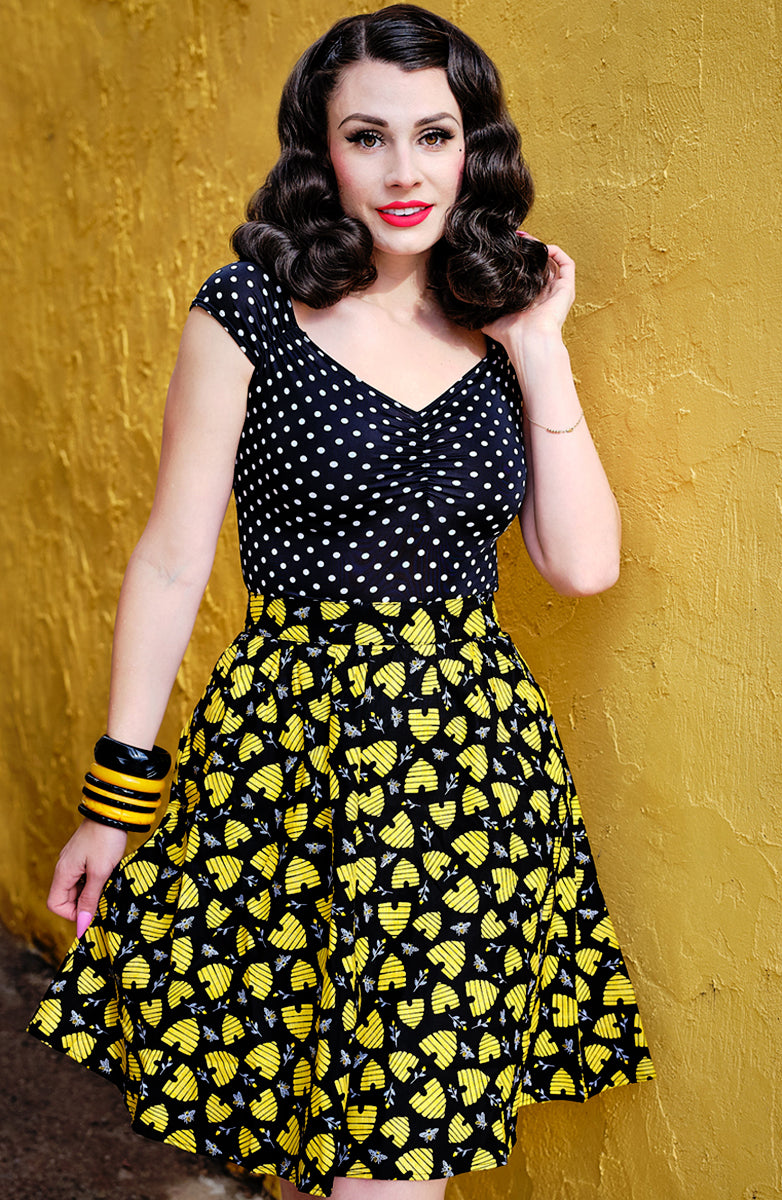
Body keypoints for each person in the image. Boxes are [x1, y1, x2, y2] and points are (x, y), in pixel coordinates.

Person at [28, 6, 655, 1198]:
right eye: (368, 136)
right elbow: (170, 558)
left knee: (394, 1163)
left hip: (464, 781)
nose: (406, 171)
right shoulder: (249, 308)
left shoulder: (498, 325)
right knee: (313, 1140)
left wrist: (540, 348)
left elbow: (580, 566)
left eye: (435, 134)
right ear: (322, 151)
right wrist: (116, 799)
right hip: (283, 764)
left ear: (477, 147)